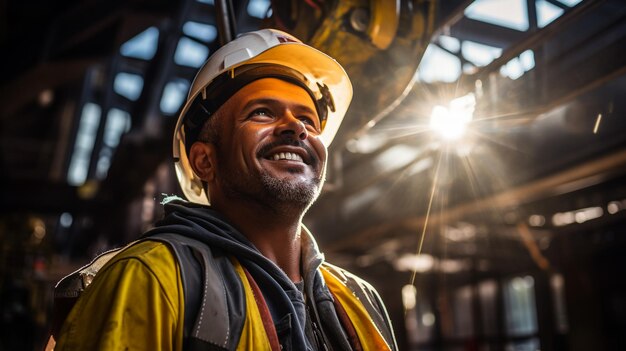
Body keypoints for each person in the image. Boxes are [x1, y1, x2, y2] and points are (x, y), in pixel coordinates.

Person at [54, 29, 397, 351]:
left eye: (308, 119)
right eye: (262, 112)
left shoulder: (360, 299)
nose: (296, 127)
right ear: (204, 160)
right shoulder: (150, 277)